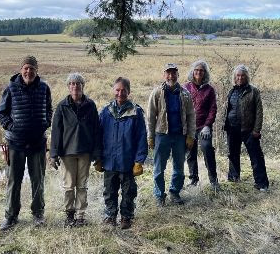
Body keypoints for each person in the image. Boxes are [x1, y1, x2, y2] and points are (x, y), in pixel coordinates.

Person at [0, 55, 52, 231]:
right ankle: (11, 216)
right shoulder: (11, 88)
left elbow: (49, 108)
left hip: (37, 143)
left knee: (38, 180)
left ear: (37, 70)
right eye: (26, 68)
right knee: (14, 181)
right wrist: (12, 127)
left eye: (32, 68)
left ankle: (38, 214)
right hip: (16, 144)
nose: (29, 71)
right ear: (21, 69)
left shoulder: (44, 87)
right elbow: (1, 113)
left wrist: (46, 122)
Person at [49, 73, 101, 227]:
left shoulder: (90, 105)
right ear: (68, 87)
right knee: (68, 186)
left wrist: (97, 153)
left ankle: (80, 216)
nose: (75, 86)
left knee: (82, 185)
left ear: (82, 86)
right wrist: (53, 154)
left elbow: (96, 130)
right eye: (72, 83)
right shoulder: (62, 106)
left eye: (78, 83)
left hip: (85, 152)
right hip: (67, 153)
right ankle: (69, 214)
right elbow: (56, 132)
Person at [97, 77, 148, 229]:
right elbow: (98, 136)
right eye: (117, 90)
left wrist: (139, 161)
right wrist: (98, 158)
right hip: (109, 161)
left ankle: (126, 216)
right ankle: (110, 216)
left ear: (128, 91)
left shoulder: (136, 112)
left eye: (123, 90)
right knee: (109, 191)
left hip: (127, 161)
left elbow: (141, 137)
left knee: (128, 191)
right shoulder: (106, 112)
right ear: (113, 90)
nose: (120, 93)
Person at [147, 64, 196, 206]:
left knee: (179, 168)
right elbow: (150, 116)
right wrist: (150, 136)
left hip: (180, 136)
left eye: (173, 73)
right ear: (164, 75)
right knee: (158, 168)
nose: (171, 76)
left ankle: (174, 192)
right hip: (162, 135)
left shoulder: (185, 94)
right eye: (168, 73)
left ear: (177, 75)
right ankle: (159, 195)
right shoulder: (157, 93)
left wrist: (191, 135)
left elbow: (191, 116)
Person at [223, 64, 269, 191]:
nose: (240, 78)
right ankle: (233, 179)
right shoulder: (231, 91)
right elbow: (227, 109)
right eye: (238, 75)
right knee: (233, 155)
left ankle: (262, 184)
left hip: (249, 130)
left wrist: (256, 130)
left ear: (246, 77)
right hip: (232, 129)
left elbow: (259, 112)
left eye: (242, 75)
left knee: (256, 157)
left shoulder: (253, 91)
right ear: (234, 77)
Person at [183, 60, 219, 189]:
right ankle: (193, 180)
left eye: (201, 70)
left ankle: (213, 180)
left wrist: (207, 125)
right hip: (189, 128)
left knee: (207, 149)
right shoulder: (185, 87)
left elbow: (213, 108)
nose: (198, 72)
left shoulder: (209, 90)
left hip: (204, 127)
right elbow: (182, 108)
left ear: (205, 73)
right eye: (196, 70)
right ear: (193, 72)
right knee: (190, 153)